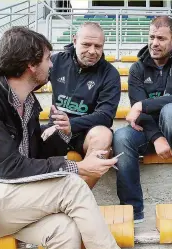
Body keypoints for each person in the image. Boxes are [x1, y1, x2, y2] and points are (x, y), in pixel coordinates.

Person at [0, 26, 120, 249]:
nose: (52, 65)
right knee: (71, 186)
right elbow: (10, 167)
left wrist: (63, 133)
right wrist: (79, 168)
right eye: (47, 59)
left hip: (11, 200)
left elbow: (36, 155)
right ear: (31, 64)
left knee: (65, 230)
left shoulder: (26, 102)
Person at [113, 16, 172, 223]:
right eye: (151, 37)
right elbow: (140, 116)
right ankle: (132, 209)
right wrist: (156, 138)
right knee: (121, 136)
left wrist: (142, 105)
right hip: (151, 130)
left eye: (161, 38)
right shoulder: (137, 69)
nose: (154, 43)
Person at [42, 22, 121, 188]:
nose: (92, 51)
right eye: (86, 44)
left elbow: (105, 116)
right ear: (75, 40)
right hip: (55, 130)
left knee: (104, 135)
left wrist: (71, 124)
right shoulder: (56, 61)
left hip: (86, 134)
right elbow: (30, 82)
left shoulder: (110, 73)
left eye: (98, 46)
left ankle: (79, 194)